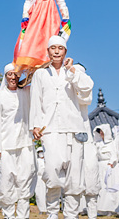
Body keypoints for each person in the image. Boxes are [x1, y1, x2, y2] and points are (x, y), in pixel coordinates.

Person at [29, 36, 94, 219]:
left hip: (73, 128)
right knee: (51, 169)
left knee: (75, 175)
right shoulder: (41, 74)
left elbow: (87, 89)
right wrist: (35, 125)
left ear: (65, 51)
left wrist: (72, 70)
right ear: (48, 51)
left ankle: (71, 215)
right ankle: (51, 213)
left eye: (60, 48)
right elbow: (36, 101)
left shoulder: (73, 72)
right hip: (49, 128)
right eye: (53, 48)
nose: (57, 51)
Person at [0, 64, 34, 219]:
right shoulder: (0, 96)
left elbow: (35, 77)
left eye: (16, 74)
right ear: (5, 76)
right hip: (6, 145)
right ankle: (9, 215)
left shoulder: (27, 92)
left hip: (25, 144)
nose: (12, 77)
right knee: (7, 181)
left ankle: (23, 216)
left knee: (25, 180)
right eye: (9, 74)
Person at [13, 0, 70, 74]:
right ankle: (33, 64)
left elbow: (61, 0)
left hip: (51, 13)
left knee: (50, 35)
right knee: (33, 37)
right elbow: (28, 0)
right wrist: (25, 16)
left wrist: (65, 17)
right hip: (36, 14)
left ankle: (48, 60)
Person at [92, 125, 119, 216]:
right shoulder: (98, 144)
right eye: (99, 132)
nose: (101, 134)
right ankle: (102, 209)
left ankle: (113, 209)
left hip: (111, 167)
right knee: (102, 187)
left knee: (111, 187)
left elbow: (115, 153)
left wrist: (111, 162)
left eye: (102, 132)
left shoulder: (113, 143)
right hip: (100, 166)